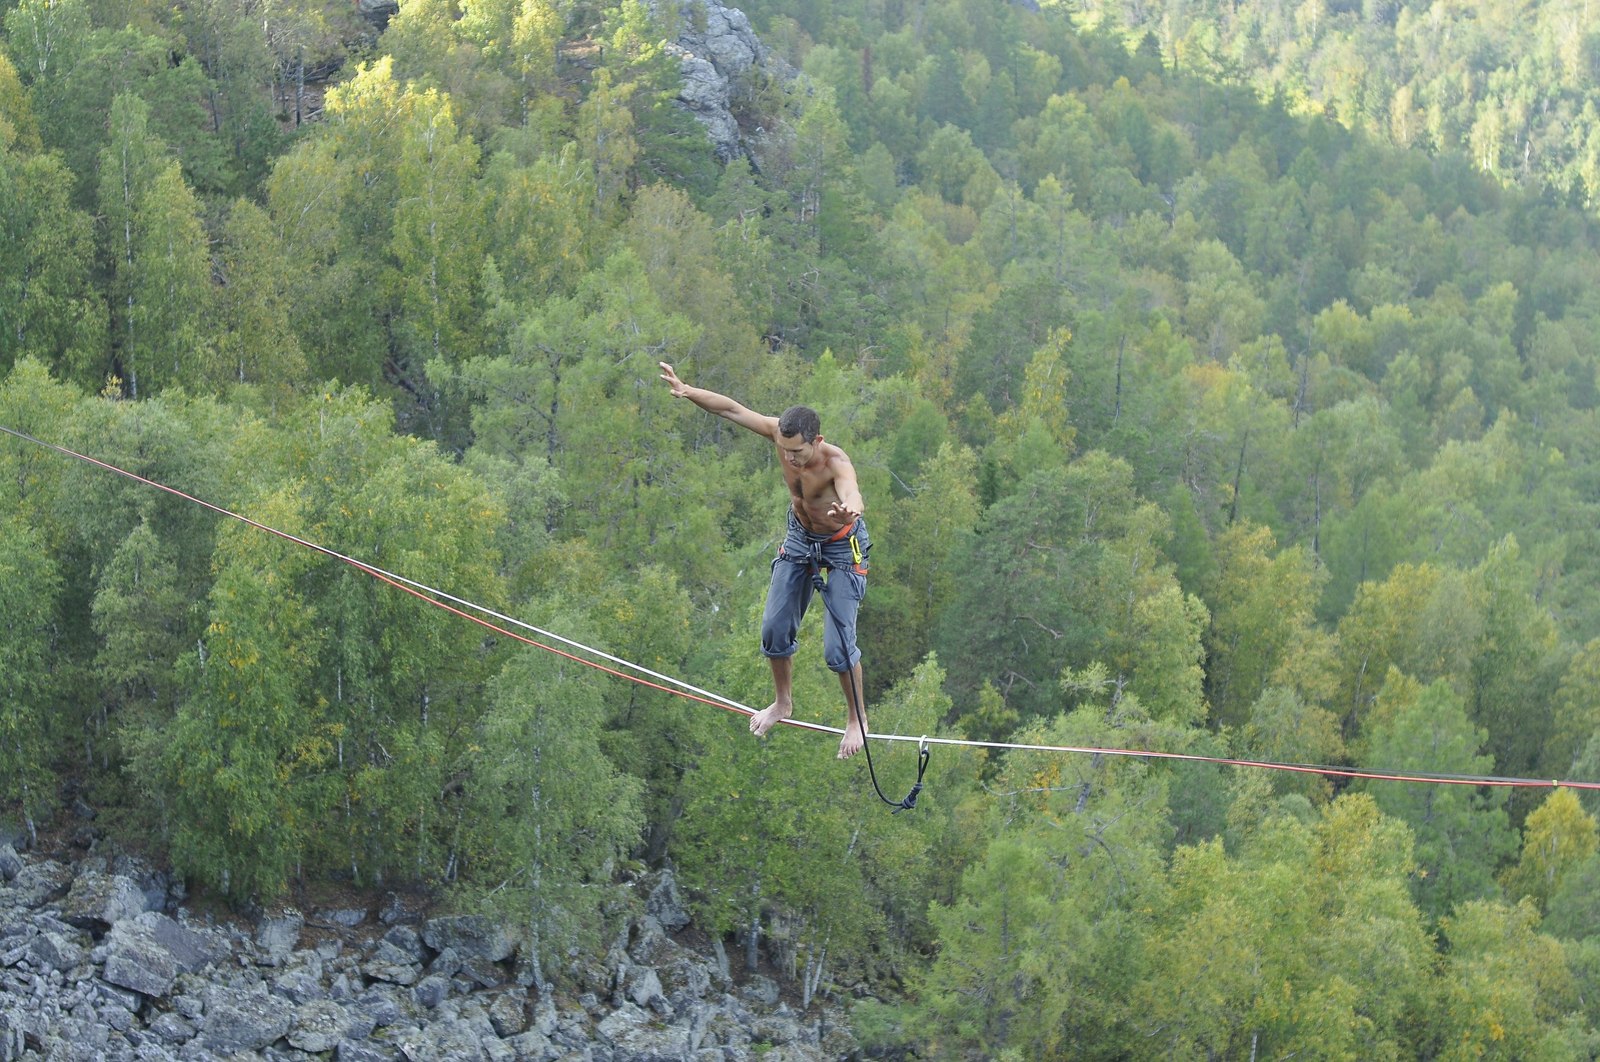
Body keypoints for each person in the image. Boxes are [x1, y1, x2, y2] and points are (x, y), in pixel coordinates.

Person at [659, 362, 872, 759]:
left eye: (799, 452)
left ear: (817, 440)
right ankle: (782, 703)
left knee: (838, 648)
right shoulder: (779, 433)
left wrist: (850, 512)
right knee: (774, 630)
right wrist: (689, 390)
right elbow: (733, 410)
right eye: (786, 451)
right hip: (800, 537)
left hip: (843, 544)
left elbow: (853, 492)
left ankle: (857, 718)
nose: (791, 459)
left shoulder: (835, 462)